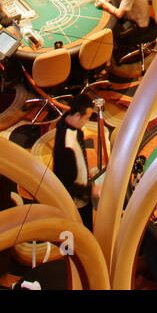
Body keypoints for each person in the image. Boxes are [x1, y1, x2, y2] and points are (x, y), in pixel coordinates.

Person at [50, 95, 97, 229]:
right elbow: (68, 184)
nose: (86, 122)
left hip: (81, 183)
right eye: (86, 118)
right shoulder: (67, 147)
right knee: (82, 229)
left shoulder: (67, 122)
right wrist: (90, 190)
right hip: (76, 200)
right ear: (77, 115)